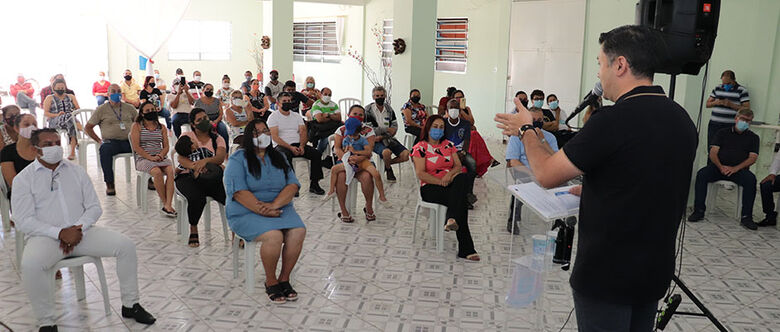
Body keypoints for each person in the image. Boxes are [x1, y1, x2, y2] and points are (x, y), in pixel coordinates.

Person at [495, 25, 697, 331]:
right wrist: (595, 188)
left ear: (620, 65)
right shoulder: (681, 119)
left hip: (607, 274)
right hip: (654, 271)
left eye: (600, 64)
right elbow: (645, 179)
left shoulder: (611, 121)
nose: (599, 76)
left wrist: (526, 130)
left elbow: (547, 174)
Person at [13, 128, 156, 331]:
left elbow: (94, 207)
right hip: (46, 238)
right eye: (47, 145)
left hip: (82, 233)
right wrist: (60, 233)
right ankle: (47, 322)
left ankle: (130, 304)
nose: (54, 148)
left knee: (125, 246)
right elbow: (23, 220)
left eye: (57, 143)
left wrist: (77, 229)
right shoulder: (24, 179)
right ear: (36, 150)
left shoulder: (76, 171)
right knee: (31, 264)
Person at [224, 119, 306, 304]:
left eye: (265, 131)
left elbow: (292, 185)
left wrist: (275, 205)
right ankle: (271, 281)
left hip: (279, 207)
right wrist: (263, 210)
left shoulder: (279, 157)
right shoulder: (239, 159)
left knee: (298, 231)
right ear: (248, 137)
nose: (262, 136)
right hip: (245, 210)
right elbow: (238, 192)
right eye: (256, 133)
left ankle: (284, 278)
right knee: (274, 236)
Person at [411, 114, 479, 261]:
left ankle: (451, 218)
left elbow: (458, 166)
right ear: (428, 128)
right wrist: (439, 181)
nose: (438, 130)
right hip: (430, 187)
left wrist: (449, 176)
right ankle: (466, 248)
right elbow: (421, 173)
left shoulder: (448, 144)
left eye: (441, 127)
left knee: (462, 177)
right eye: (435, 127)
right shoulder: (420, 147)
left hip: (449, 184)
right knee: (460, 199)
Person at [688, 108, 759, 230]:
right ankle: (698, 210)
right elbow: (713, 153)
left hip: (739, 170)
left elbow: (752, 158)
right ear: (736, 119)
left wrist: (735, 168)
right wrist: (721, 167)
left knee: (751, 180)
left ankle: (747, 217)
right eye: (743, 119)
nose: (745, 123)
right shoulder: (722, 133)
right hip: (718, 167)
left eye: (749, 121)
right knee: (702, 174)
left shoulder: (753, 137)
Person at [175, 108, 227, 247]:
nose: (204, 121)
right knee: (197, 197)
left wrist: (205, 162)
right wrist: (196, 167)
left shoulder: (217, 138)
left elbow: (220, 158)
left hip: (211, 178)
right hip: (187, 177)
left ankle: (235, 232)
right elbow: (181, 159)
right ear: (193, 124)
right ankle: (193, 228)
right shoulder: (187, 136)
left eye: (206, 118)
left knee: (230, 198)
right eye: (200, 120)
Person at [504, 107, 559, 233]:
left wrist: (542, 140)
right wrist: (533, 175)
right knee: (522, 185)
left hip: (545, 171)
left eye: (540, 120)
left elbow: (555, 158)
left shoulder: (550, 137)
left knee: (561, 182)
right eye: (533, 120)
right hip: (525, 171)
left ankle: (558, 220)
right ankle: (513, 219)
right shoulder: (517, 136)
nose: (537, 122)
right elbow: (513, 161)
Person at [324, 117, 390, 208]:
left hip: (363, 162)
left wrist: (356, 152)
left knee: (376, 174)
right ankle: (331, 191)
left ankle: (382, 197)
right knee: (334, 169)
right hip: (351, 162)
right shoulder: (346, 139)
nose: (351, 137)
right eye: (349, 135)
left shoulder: (362, 140)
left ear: (359, 132)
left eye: (354, 135)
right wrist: (348, 155)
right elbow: (343, 150)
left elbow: (368, 152)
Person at [84, 84, 137, 195]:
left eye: (118, 91)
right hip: (112, 142)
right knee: (104, 149)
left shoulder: (129, 108)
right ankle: (110, 183)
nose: (116, 93)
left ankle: (148, 178)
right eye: (113, 91)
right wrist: (99, 140)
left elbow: (140, 124)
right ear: (108, 94)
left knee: (144, 147)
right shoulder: (101, 109)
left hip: (130, 141)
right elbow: (88, 128)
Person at [268, 92, 325, 195]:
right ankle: (292, 185)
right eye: (284, 101)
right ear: (278, 103)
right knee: (284, 156)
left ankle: (314, 184)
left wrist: (302, 146)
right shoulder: (273, 116)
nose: (287, 103)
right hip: (281, 146)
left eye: (289, 101)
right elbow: (275, 137)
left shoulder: (296, 116)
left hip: (298, 144)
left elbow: (303, 131)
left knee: (316, 154)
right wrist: (290, 147)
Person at [130, 101, 176, 217]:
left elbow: (166, 146)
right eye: (148, 111)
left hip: (160, 156)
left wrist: (160, 155)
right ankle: (166, 204)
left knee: (171, 171)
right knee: (156, 172)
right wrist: (150, 157)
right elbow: (136, 147)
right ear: (142, 113)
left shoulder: (162, 127)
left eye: (153, 110)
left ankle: (168, 203)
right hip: (143, 158)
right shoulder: (137, 126)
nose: (151, 112)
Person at [332, 105, 378, 223]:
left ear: (364, 117)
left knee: (367, 177)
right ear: (348, 115)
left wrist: (358, 159)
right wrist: (347, 160)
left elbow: (369, 151)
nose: (357, 117)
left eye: (360, 115)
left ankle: (368, 207)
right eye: (354, 114)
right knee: (341, 176)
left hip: (363, 161)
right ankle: (344, 211)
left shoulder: (368, 131)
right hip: (345, 160)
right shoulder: (341, 130)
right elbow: (337, 148)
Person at [364, 86, 409, 182]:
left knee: (406, 155)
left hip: (388, 138)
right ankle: (389, 170)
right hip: (373, 140)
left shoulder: (389, 109)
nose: (380, 98)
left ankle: (386, 164)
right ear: (373, 97)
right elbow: (370, 130)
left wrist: (384, 133)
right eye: (377, 96)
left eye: (382, 95)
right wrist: (386, 129)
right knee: (386, 152)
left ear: (385, 96)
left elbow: (394, 127)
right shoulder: (367, 110)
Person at [451, 89, 499, 176]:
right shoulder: (452, 109)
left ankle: (477, 167)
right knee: (474, 134)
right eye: (456, 98)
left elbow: (472, 122)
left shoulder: (467, 108)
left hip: (467, 132)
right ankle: (489, 159)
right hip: (456, 133)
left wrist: (462, 111)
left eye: (461, 98)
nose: (459, 100)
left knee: (474, 136)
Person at [443, 99, 477, 209]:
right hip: (447, 153)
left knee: (472, 164)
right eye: (451, 108)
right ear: (447, 110)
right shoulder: (443, 123)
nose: (453, 110)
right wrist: (453, 155)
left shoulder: (465, 124)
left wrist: (463, 153)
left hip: (461, 152)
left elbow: (467, 140)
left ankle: (468, 195)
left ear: (460, 110)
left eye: (456, 108)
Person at [705, 70, 751, 147]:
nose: (725, 85)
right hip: (714, 124)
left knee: (727, 147)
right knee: (712, 147)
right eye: (724, 83)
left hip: (730, 125)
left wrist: (731, 105)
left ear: (734, 80)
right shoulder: (717, 88)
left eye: (728, 83)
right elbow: (707, 104)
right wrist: (716, 102)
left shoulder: (742, 90)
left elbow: (747, 109)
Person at [42, 79, 80, 161]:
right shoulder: (49, 98)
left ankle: (72, 152)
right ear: (54, 88)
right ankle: (84, 130)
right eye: (58, 87)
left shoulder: (71, 97)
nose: (60, 89)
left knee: (70, 120)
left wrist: (71, 112)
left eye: (62, 87)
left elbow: (78, 109)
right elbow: (46, 113)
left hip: (70, 119)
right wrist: (57, 115)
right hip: (55, 119)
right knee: (72, 122)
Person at [1, 114, 37, 198]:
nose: (31, 128)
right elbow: (13, 183)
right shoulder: (7, 152)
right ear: (16, 128)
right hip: (21, 196)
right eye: (26, 125)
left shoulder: (41, 149)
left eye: (34, 125)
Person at [308, 87, 341, 155]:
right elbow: (320, 119)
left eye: (329, 95)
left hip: (332, 127)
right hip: (321, 128)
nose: (327, 96)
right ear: (321, 94)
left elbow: (339, 118)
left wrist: (328, 115)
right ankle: (318, 154)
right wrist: (332, 116)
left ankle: (333, 153)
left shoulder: (334, 104)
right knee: (325, 137)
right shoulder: (316, 104)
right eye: (325, 94)